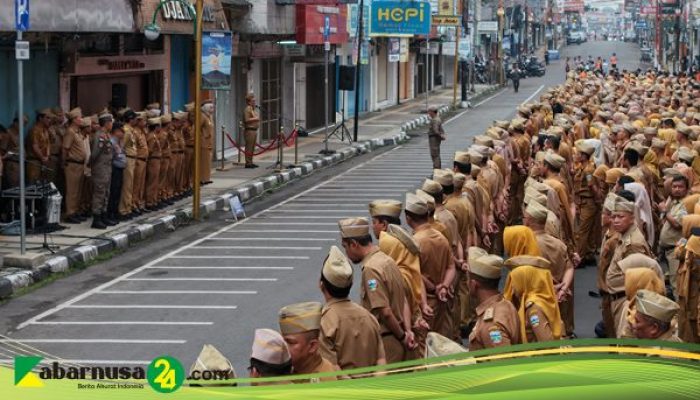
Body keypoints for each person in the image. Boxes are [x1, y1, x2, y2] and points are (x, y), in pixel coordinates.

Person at [337, 217, 415, 363]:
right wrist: (408, 331)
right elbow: (403, 299)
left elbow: (385, 312)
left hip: (388, 342)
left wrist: (403, 337)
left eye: (345, 247)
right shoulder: (387, 260)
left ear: (354, 244)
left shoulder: (371, 270)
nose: (346, 253)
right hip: (399, 335)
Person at [318, 246, 386, 371]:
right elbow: (381, 360)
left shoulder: (325, 322)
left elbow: (333, 368)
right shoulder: (369, 317)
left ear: (321, 285)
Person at [405, 192, 455, 337]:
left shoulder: (414, 242)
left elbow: (415, 274)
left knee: (424, 345)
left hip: (424, 303)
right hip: (441, 299)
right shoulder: (441, 237)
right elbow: (451, 267)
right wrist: (444, 286)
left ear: (408, 219)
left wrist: (433, 287)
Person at [605, 192, 654, 332]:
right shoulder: (624, 236)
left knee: (626, 338)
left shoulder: (633, 243)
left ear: (632, 218)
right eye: (613, 217)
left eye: (620, 217)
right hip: (619, 297)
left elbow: (639, 279)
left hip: (626, 300)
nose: (615, 220)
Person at [467, 247, 520, 350]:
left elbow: (504, 363)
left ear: (473, 285)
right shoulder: (505, 303)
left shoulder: (491, 325)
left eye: (468, 280)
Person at [503, 257, 563, 343]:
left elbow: (547, 344)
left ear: (525, 282)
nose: (512, 287)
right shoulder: (542, 298)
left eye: (515, 282)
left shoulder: (533, 309)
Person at [278, 302, 339, 382]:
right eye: (281, 341)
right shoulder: (292, 368)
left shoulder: (323, 381)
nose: (282, 347)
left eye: (290, 342)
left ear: (312, 346)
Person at [657, 175, 689, 298]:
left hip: (677, 251)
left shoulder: (686, 204)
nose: (676, 189)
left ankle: (680, 315)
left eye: (680, 187)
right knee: (673, 282)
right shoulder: (675, 202)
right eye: (674, 186)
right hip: (669, 251)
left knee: (677, 286)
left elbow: (676, 224)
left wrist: (664, 211)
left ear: (686, 189)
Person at [89, 111, 114, 229]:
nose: (112, 124)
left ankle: (104, 215)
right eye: (110, 122)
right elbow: (94, 154)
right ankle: (96, 218)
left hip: (107, 168)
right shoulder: (100, 136)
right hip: (100, 168)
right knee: (99, 193)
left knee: (106, 193)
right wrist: (93, 166)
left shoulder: (107, 135)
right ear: (106, 123)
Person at [62, 108, 87, 224]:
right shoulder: (70, 131)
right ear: (73, 120)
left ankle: (75, 211)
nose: (81, 119)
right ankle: (70, 213)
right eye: (79, 118)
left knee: (78, 190)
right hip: (72, 164)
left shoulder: (77, 132)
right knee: (72, 191)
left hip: (80, 165)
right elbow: (65, 148)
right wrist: (64, 162)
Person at [107, 123, 126, 224]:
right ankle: (110, 213)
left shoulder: (119, 142)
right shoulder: (111, 142)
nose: (123, 133)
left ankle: (115, 212)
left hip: (119, 169)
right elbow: (111, 157)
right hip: (114, 169)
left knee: (117, 192)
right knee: (113, 192)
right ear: (116, 131)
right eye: (121, 131)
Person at [27, 109, 52, 184]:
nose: (49, 120)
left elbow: (48, 145)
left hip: (44, 161)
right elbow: (35, 146)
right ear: (40, 118)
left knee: (43, 184)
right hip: (35, 161)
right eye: (47, 118)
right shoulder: (34, 130)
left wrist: (47, 156)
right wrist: (43, 158)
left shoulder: (45, 130)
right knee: (34, 185)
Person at [242, 93, 260, 169]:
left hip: (254, 130)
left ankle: (251, 161)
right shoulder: (247, 109)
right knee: (249, 147)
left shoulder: (252, 109)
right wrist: (256, 119)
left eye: (254, 101)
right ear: (249, 102)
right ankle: (248, 163)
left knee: (252, 147)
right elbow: (246, 120)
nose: (254, 102)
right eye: (253, 101)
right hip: (249, 130)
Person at [200, 100, 214, 184]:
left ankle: (207, 178)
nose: (212, 109)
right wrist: (203, 137)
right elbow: (198, 128)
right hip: (203, 142)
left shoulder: (209, 117)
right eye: (211, 108)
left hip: (209, 142)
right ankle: (202, 178)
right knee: (204, 161)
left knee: (208, 161)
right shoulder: (202, 116)